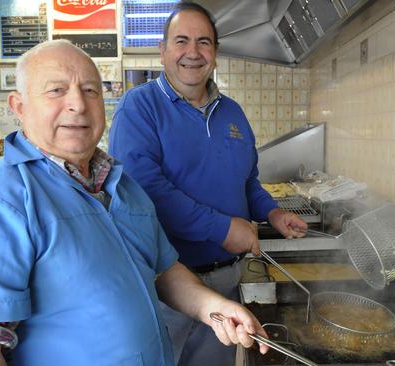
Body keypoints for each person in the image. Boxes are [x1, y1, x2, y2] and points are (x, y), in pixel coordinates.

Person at [0, 39, 269, 366]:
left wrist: (214, 307)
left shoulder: (122, 186)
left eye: (90, 90)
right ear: (19, 107)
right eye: (57, 90)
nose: (78, 104)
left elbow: (165, 271)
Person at [108, 3, 308, 365]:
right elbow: (146, 190)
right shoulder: (138, 107)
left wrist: (273, 211)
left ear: (215, 53)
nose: (193, 52)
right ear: (163, 51)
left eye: (204, 42)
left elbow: (247, 180)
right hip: (165, 286)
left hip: (227, 281)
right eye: (181, 41)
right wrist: (220, 228)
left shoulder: (231, 112)